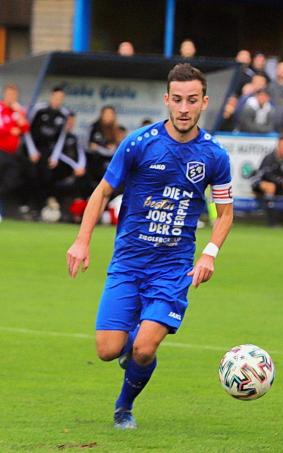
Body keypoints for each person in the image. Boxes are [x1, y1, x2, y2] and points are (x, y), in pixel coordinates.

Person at [65, 63, 234, 430]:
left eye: (192, 100)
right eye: (177, 100)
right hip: (128, 262)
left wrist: (210, 253)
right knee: (108, 350)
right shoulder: (140, 144)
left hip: (173, 269)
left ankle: (124, 408)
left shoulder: (214, 156)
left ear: (204, 102)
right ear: (166, 100)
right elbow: (102, 191)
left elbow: (224, 214)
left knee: (144, 348)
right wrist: (82, 240)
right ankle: (137, 349)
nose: (184, 108)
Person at [23, 86, 70, 213]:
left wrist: (55, 156)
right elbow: (26, 129)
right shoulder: (39, 109)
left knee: (46, 178)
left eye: (60, 98)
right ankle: (27, 205)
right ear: (51, 96)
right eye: (56, 97)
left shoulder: (64, 114)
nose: (57, 100)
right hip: (32, 148)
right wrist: (32, 150)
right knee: (31, 176)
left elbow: (61, 137)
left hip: (48, 151)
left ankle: (39, 208)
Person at [0, 84, 29, 220]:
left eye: (14, 95)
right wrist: (10, 130)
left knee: (10, 182)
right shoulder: (0, 108)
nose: (12, 97)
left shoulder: (17, 111)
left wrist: (19, 112)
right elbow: (2, 128)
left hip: (12, 154)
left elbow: (25, 128)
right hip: (0, 151)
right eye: (9, 94)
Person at [86, 105, 125, 186]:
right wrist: (100, 148)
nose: (108, 116)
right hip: (95, 165)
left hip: (111, 165)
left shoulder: (116, 129)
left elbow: (116, 149)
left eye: (111, 114)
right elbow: (89, 146)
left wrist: (99, 148)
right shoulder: (94, 127)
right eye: (106, 114)